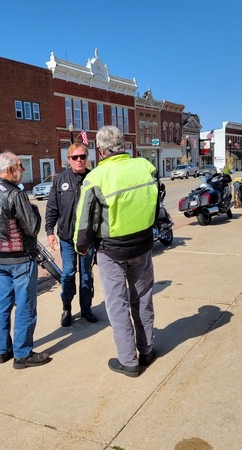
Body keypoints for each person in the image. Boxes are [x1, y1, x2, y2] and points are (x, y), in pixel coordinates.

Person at [74, 125, 159, 378]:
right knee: (143, 298)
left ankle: (128, 360)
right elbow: (156, 202)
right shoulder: (145, 167)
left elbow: (84, 220)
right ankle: (147, 349)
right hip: (142, 244)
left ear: (101, 151)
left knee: (117, 304)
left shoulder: (96, 177)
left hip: (111, 250)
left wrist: (81, 246)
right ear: (123, 145)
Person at [0, 151, 51, 369]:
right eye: (20, 166)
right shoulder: (15, 194)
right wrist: (34, 209)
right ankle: (22, 353)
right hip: (20, 258)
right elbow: (32, 227)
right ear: (10, 169)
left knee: (2, 305)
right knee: (25, 306)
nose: (23, 170)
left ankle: (3, 350)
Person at [45, 142, 97, 327]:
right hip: (67, 238)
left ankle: (86, 309)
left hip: (87, 238)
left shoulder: (94, 178)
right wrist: (49, 231)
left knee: (86, 274)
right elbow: (52, 207)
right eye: (75, 157)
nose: (79, 160)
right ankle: (66, 308)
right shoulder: (60, 179)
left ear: (87, 158)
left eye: (82, 156)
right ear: (69, 159)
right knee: (68, 273)